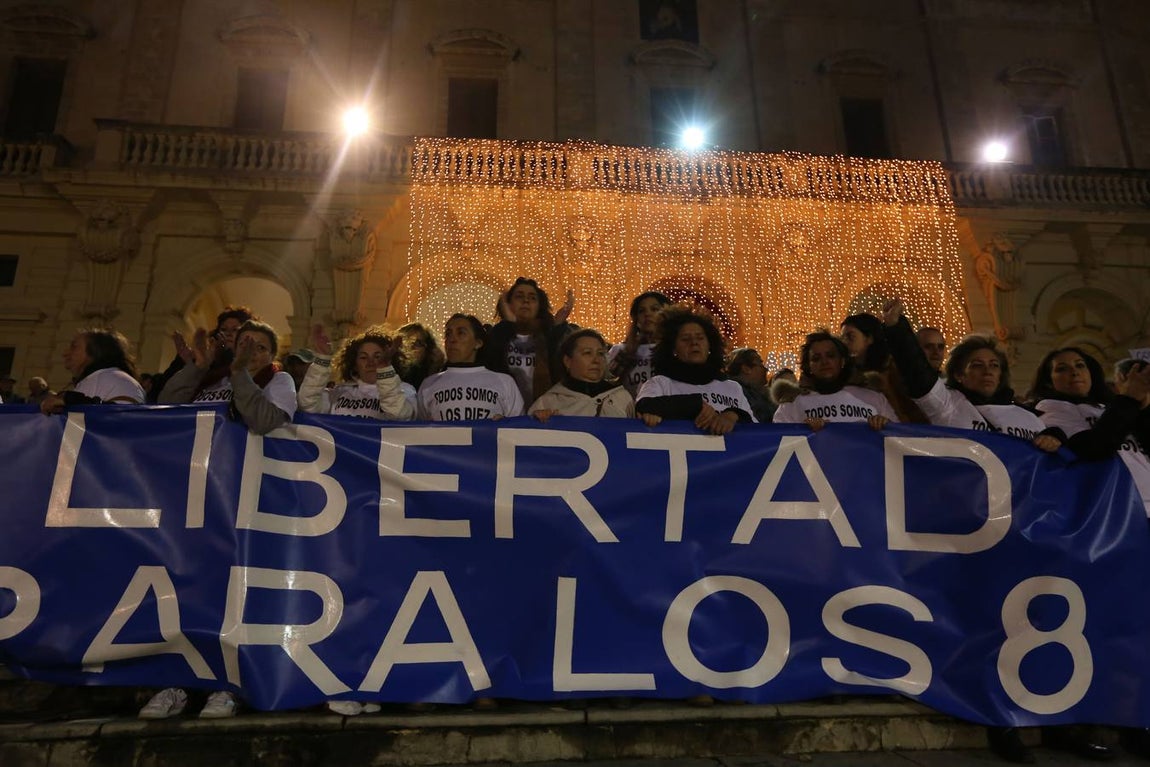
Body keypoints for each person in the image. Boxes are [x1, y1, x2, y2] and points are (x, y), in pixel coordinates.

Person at [880, 301, 1109, 764]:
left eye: (992, 365)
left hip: (1032, 539)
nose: (985, 372)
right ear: (959, 375)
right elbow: (916, 373)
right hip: (976, 538)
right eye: (975, 366)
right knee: (989, 632)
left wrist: (1056, 442)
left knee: (1044, 627)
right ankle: (1000, 721)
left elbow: (1067, 464)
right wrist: (898, 330)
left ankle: (1061, 722)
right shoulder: (950, 409)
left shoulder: (1029, 417)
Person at [1028, 348, 1150, 514]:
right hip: (1115, 509)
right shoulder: (1049, 408)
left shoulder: (1107, 407)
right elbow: (1094, 447)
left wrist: (1144, 410)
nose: (1075, 372)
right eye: (1062, 368)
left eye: (1080, 366)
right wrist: (1129, 399)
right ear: (1049, 381)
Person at [635, 305, 754, 435]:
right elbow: (644, 405)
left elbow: (758, 429)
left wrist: (734, 415)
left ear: (710, 345)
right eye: (685, 339)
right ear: (673, 349)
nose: (694, 343)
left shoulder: (732, 388)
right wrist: (695, 405)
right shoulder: (660, 384)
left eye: (700, 338)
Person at [771, 331, 895, 430]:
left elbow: (901, 439)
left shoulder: (874, 398)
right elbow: (777, 442)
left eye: (830, 356)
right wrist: (803, 431)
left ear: (842, 361)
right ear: (808, 366)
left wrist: (886, 425)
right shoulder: (792, 404)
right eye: (816, 358)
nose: (824, 362)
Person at [484, 277, 575, 405]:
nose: (526, 301)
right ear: (509, 304)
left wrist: (558, 326)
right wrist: (510, 323)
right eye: (519, 296)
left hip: (543, 409)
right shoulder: (497, 336)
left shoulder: (549, 337)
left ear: (539, 306)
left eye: (532, 298)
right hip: (504, 408)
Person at [297, 324, 414, 420]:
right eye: (363, 357)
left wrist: (384, 369)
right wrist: (322, 359)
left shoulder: (405, 390)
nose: (371, 363)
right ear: (354, 364)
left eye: (378, 357)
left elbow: (399, 415)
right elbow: (308, 404)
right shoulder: (340, 392)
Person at [418, 314, 524, 421]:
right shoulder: (429, 385)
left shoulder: (505, 382)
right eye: (448, 334)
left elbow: (519, 429)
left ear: (478, 343)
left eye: (461, 333)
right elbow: (418, 432)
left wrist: (505, 424)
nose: (452, 339)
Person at [153, 306, 256, 404]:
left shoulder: (253, 368)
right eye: (223, 329)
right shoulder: (206, 367)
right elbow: (165, 401)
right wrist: (191, 364)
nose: (228, 333)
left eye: (235, 329)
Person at [530, 329, 635, 421]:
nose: (596, 360)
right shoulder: (548, 403)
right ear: (568, 361)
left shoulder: (622, 398)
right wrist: (538, 422)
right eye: (587, 353)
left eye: (600, 353)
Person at [40, 330, 145, 413]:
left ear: (96, 351)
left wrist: (73, 402)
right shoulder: (97, 379)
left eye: (74, 347)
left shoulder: (119, 380)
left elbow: (126, 418)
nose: (65, 353)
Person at [608, 291, 671, 397]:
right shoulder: (620, 351)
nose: (648, 314)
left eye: (654, 309)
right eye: (642, 311)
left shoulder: (676, 350)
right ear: (636, 319)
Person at [725, 347, 775, 423]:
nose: (766, 369)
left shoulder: (759, 393)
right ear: (746, 369)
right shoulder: (738, 393)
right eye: (760, 364)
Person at [396, 322, 445, 391]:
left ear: (428, 349)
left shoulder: (433, 375)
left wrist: (434, 369)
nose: (411, 347)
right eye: (406, 342)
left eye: (418, 343)